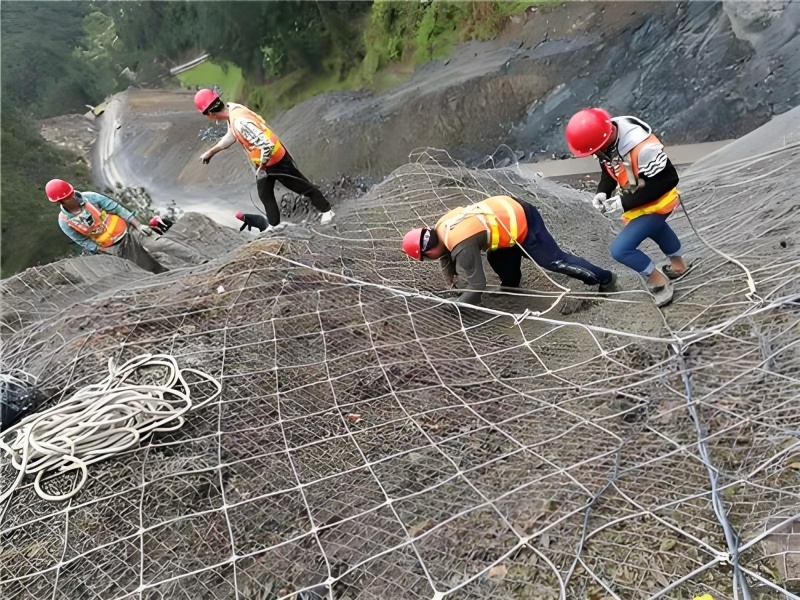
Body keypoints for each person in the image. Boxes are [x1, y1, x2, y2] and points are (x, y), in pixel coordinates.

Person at [565, 108, 691, 307]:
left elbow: (668, 179)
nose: (596, 154)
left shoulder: (643, 148)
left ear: (603, 139)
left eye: (595, 150)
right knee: (658, 230)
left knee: (620, 250)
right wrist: (603, 192)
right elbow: (608, 169)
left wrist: (622, 202)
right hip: (640, 201)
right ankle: (679, 266)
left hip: (657, 203)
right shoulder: (607, 140)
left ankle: (658, 281)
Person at [401, 195, 616, 306]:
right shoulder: (441, 227)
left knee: (554, 261)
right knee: (497, 257)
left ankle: (604, 279)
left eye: (424, 258)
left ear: (428, 252)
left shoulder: (461, 245)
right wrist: (451, 285)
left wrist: (457, 306)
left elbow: (477, 288)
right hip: (505, 217)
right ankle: (513, 289)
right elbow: (443, 257)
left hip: (523, 220)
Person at [194, 88, 334, 229]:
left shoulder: (239, 122)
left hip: (276, 160)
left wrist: (262, 166)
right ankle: (274, 227)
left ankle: (327, 210)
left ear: (210, 114)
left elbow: (267, 145)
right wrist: (211, 152)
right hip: (265, 163)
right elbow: (231, 136)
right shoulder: (232, 110)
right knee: (265, 194)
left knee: (301, 186)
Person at [46, 179, 167, 274]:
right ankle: (165, 276)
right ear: (60, 202)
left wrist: (138, 226)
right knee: (146, 266)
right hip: (112, 246)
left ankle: (185, 258)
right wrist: (105, 251)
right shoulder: (64, 221)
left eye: (71, 193)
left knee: (160, 243)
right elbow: (83, 241)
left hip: (128, 230)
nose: (72, 197)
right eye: (67, 197)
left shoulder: (91, 198)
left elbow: (117, 209)